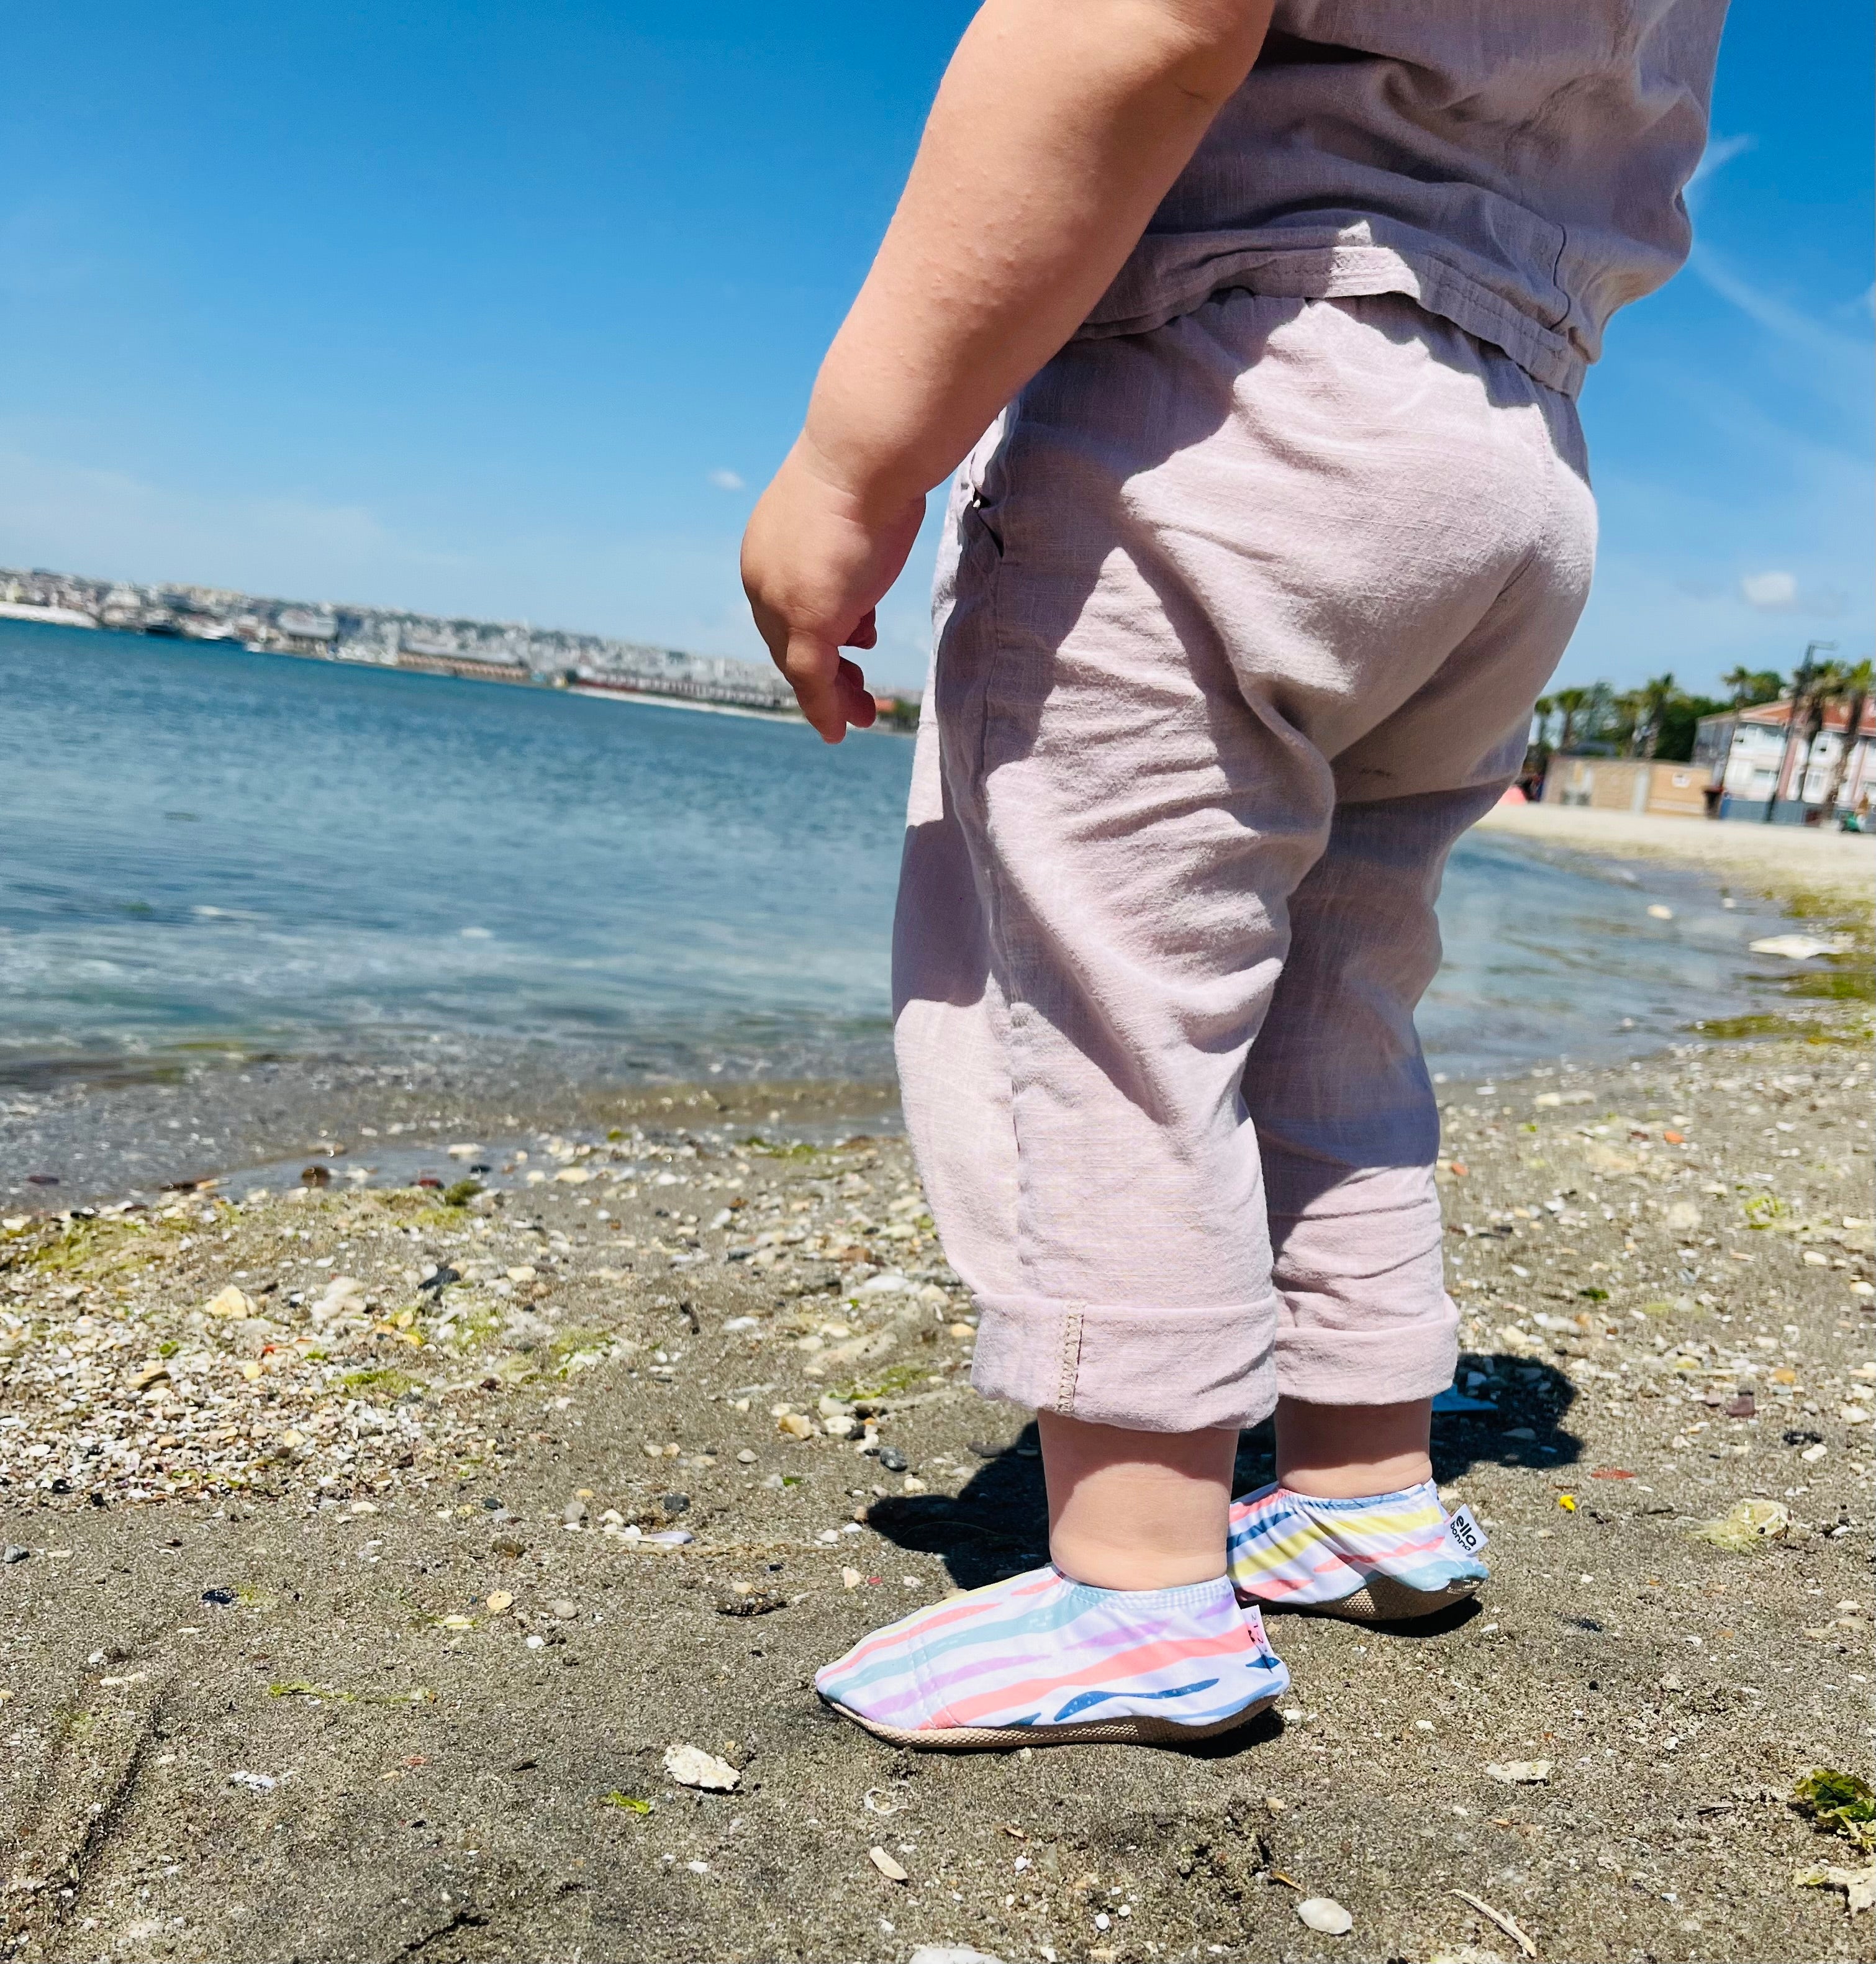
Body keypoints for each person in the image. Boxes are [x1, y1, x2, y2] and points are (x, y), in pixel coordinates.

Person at [741, 0, 1728, 1749]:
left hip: (1236, 394)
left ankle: (1137, 1576)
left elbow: (1136, 29)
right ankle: (1361, 1477)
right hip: (1517, 461)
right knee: (1345, 980)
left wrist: (853, 458)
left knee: (1120, 981)